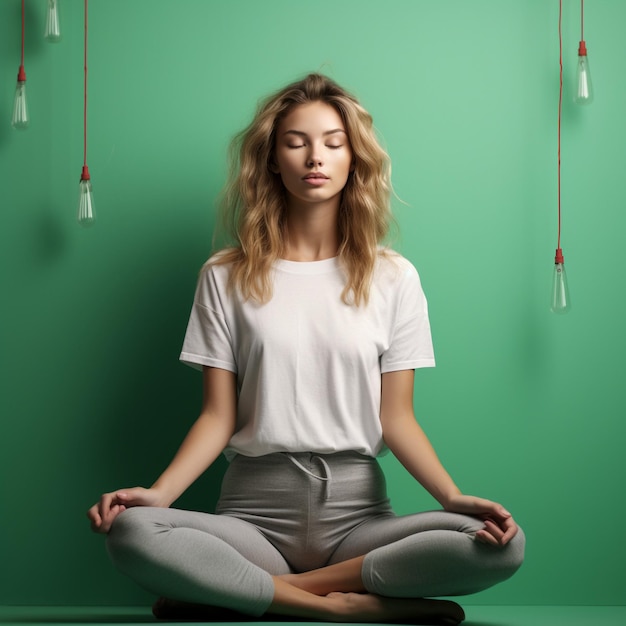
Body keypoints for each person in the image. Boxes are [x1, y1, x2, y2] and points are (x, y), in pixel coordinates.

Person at [88, 73, 524, 625]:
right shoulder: (224, 275)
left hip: (360, 520)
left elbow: (398, 419)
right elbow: (218, 416)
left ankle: (262, 592)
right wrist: (158, 493)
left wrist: (452, 497)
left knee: (501, 542)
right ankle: (349, 609)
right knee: (131, 531)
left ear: (353, 159)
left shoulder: (394, 278)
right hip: (252, 519)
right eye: (295, 142)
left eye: (333, 143)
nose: (314, 157)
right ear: (272, 159)